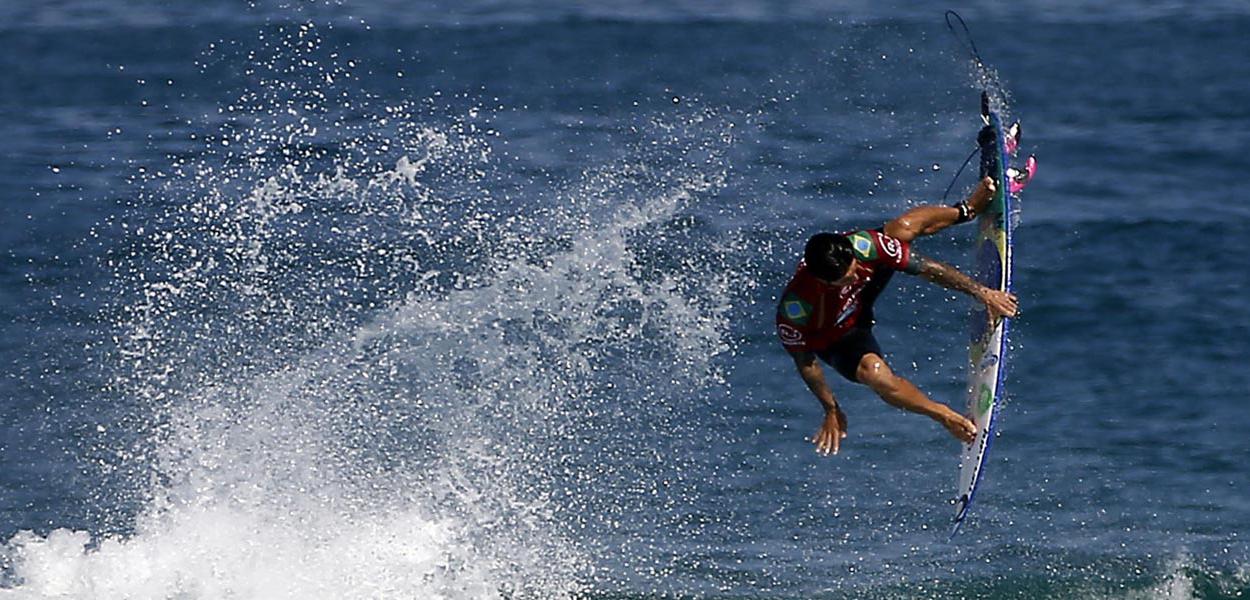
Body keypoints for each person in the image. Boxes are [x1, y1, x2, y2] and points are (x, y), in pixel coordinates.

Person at [775, 173, 1022, 456]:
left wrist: (983, 293)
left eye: (854, 268)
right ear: (823, 281)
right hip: (839, 335)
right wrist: (831, 408)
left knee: (900, 230)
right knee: (876, 374)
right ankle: (943, 415)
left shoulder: (864, 246)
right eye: (844, 279)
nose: (854, 276)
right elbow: (807, 363)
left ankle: (966, 209)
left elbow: (926, 268)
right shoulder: (795, 309)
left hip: (860, 300)